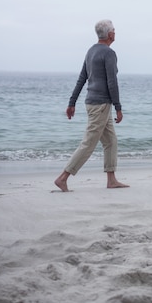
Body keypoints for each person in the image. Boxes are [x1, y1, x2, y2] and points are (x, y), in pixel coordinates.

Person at [54, 19, 129, 192]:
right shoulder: (109, 53)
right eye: (114, 30)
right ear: (110, 34)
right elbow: (112, 82)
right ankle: (63, 177)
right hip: (101, 104)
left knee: (111, 141)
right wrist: (118, 107)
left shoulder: (91, 51)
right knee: (88, 143)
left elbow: (82, 78)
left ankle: (111, 180)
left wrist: (71, 103)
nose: (115, 33)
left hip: (92, 103)